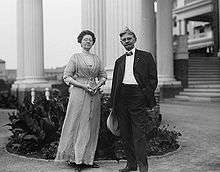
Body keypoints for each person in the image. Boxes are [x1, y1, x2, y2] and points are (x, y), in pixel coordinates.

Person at [55, 30, 107, 171]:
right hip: (78, 93)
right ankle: (76, 159)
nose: (88, 42)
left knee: (91, 125)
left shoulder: (97, 58)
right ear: (80, 41)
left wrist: (97, 85)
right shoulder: (75, 58)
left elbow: (103, 75)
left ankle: (88, 159)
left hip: (94, 94)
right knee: (78, 123)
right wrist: (83, 85)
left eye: (90, 40)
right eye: (85, 39)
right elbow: (67, 77)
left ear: (93, 42)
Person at [110, 27, 158, 172]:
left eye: (129, 38)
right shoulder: (119, 61)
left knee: (139, 134)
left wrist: (144, 95)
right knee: (125, 134)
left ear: (135, 39)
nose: (126, 41)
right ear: (121, 43)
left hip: (138, 96)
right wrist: (113, 104)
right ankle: (131, 165)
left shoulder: (146, 56)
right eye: (123, 40)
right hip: (122, 98)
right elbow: (114, 84)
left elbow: (153, 79)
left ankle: (143, 167)